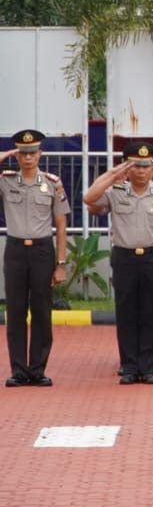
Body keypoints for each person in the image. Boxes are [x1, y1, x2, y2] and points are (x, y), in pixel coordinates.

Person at [85, 143, 153, 385]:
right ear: (127, 168)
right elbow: (89, 198)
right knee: (127, 312)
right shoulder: (115, 191)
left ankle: (148, 367)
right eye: (135, 165)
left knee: (152, 313)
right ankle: (129, 366)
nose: (141, 170)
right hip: (125, 257)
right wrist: (112, 175)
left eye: (146, 166)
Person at [1, 130, 68, 387]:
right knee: (16, 310)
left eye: (32, 153)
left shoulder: (52, 183)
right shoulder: (6, 181)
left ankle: (38, 370)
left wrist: (61, 264)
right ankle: (19, 370)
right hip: (16, 250)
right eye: (22, 153)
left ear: (40, 154)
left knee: (41, 310)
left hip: (42, 251)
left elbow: (61, 226)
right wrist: (5, 154)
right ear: (17, 155)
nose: (28, 158)